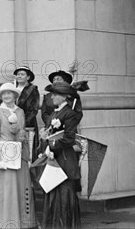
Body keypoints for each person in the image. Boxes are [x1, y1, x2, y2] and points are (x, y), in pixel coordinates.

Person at [0, 82, 37, 229]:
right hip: (4, 156)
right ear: (1, 96)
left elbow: (23, 133)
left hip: (19, 154)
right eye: (4, 94)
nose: (7, 96)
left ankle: (24, 222)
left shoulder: (20, 111)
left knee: (23, 188)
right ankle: (8, 224)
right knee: (8, 190)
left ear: (15, 95)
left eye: (10, 93)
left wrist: (27, 156)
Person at [40, 82, 82, 229]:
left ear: (64, 97)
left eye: (55, 94)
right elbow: (49, 133)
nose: (52, 97)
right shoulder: (54, 113)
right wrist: (45, 141)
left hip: (65, 159)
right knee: (53, 189)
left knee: (64, 192)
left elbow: (69, 138)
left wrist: (51, 146)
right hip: (54, 157)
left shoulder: (70, 113)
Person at [13, 66, 40, 160]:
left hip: (28, 124)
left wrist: (23, 122)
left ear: (28, 77)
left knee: (28, 149)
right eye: (18, 74)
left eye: (22, 74)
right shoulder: (13, 88)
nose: (19, 76)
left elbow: (34, 109)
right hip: (12, 124)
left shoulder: (32, 89)